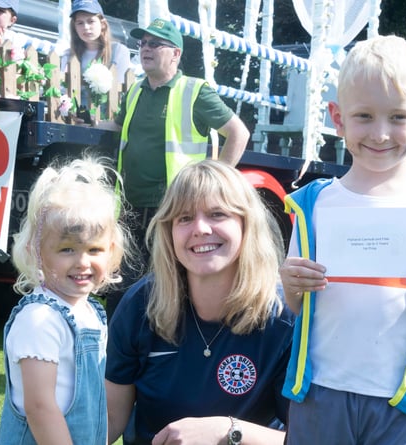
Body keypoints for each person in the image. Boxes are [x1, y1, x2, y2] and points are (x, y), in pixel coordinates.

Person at [279, 35, 406, 444]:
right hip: (322, 393)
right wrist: (291, 285)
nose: (381, 134)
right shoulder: (312, 206)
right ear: (337, 117)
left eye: (399, 117)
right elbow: (296, 305)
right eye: (365, 116)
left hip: (404, 400)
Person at [105, 160, 294, 445]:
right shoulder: (141, 304)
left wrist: (227, 431)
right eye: (184, 218)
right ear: (169, 232)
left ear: (247, 224)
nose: (201, 229)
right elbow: (107, 421)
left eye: (217, 214)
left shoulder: (283, 316)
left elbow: (309, 437)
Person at [99, 17, 250, 319]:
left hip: (171, 214)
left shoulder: (195, 91)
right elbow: (115, 126)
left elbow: (238, 133)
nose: (146, 48)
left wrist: (213, 187)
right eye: (142, 43)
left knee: (168, 291)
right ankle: (117, 359)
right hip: (129, 211)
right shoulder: (136, 92)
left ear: (176, 54)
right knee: (121, 292)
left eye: (155, 43)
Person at [0, 157, 127, 444]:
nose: (83, 262)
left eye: (94, 249)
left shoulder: (91, 311)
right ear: (37, 251)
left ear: (111, 251)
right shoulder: (39, 319)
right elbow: (40, 407)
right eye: (67, 249)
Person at [63, 0, 131, 118]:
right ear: (74, 27)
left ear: (102, 24)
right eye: (80, 23)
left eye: (91, 21)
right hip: (75, 121)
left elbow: (121, 92)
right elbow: (62, 91)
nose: (86, 27)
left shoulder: (119, 51)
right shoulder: (68, 55)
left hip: (107, 120)